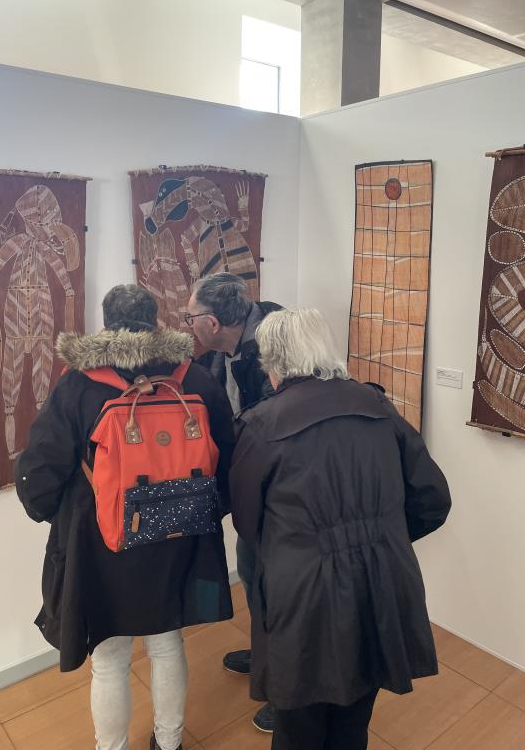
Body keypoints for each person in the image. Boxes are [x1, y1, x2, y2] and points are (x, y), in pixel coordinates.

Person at [16, 284, 235, 750]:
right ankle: (169, 743)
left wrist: (53, 513)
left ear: (107, 322)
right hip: (179, 532)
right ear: (154, 321)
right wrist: (200, 507)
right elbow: (229, 456)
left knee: (110, 657)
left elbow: (40, 470)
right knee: (167, 644)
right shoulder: (192, 377)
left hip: (104, 539)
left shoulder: (78, 383)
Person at [229, 308, 452, 750]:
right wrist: (381, 535)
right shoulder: (377, 405)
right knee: (355, 718)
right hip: (382, 578)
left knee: (298, 725)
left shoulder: (261, 425)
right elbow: (432, 500)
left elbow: (247, 523)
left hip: (304, 591)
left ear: (273, 363)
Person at [185, 272, 281, 733]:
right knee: (253, 575)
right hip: (250, 491)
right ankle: (266, 656)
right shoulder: (219, 356)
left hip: (281, 496)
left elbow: (276, 430)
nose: (186, 324)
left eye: (190, 317)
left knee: (280, 591)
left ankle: (286, 690)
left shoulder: (274, 347)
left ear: (212, 322)